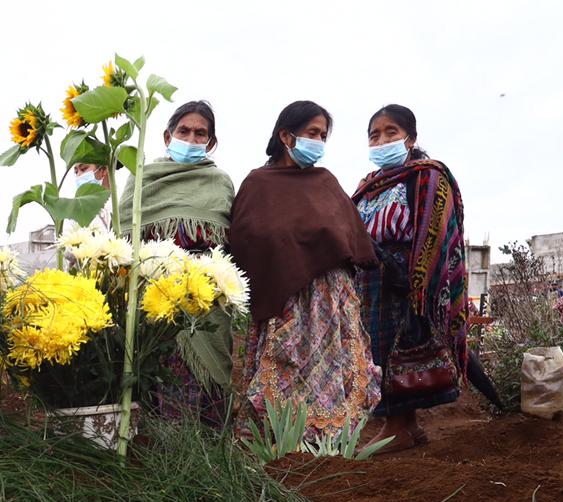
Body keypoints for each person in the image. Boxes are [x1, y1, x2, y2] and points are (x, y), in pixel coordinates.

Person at [229, 100, 382, 443]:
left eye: (323, 135)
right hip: (286, 299)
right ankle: (280, 440)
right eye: (312, 133)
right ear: (286, 135)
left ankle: (328, 442)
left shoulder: (325, 182)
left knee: (333, 369)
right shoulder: (258, 184)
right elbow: (246, 239)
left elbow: (351, 234)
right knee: (285, 364)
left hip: (331, 299)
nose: (319, 141)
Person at [353, 104, 469, 451]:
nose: (382, 140)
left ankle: (397, 427)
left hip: (407, 280)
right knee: (374, 350)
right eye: (375, 135)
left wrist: (418, 281)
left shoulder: (427, 176)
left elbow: (436, 227)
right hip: (371, 279)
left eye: (391, 132)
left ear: (411, 138)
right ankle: (408, 427)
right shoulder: (367, 186)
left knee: (396, 349)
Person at [119, 100, 237, 428]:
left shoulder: (220, 183)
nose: (192, 138)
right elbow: (125, 240)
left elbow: (230, 244)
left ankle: (211, 462)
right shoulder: (141, 179)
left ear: (211, 143)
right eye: (184, 131)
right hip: (155, 303)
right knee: (161, 380)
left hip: (207, 305)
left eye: (201, 133)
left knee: (209, 384)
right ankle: (168, 459)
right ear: (167, 136)